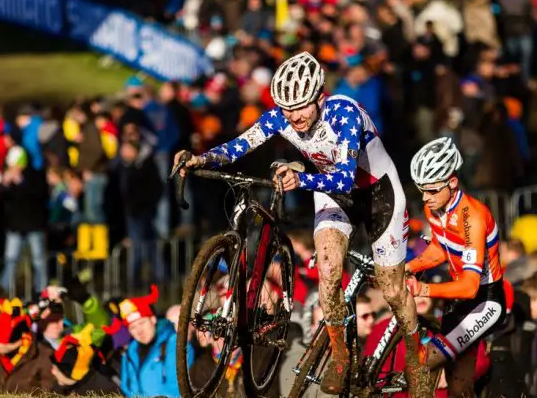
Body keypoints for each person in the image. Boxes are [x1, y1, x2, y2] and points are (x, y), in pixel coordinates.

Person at [173, 51, 416, 394]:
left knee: (391, 289)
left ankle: (417, 358)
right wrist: (199, 158)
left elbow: (346, 178)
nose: (294, 116)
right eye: (287, 109)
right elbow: (240, 145)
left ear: (319, 97)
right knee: (328, 272)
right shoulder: (281, 118)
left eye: (301, 107)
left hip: (378, 194)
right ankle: (341, 355)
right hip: (331, 191)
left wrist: (300, 179)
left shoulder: (344, 113)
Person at [404, 137, 506, 397]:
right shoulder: (435, 208)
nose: (426, 198)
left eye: (432, 190)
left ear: (452, 182)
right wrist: (409, 266)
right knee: (458, 387)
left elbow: (471, 287)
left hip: (484, 300)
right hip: (456, 301)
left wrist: (423, 289)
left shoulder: (473, 216)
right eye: (421, 189)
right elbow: (440, 249)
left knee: (427, 361)